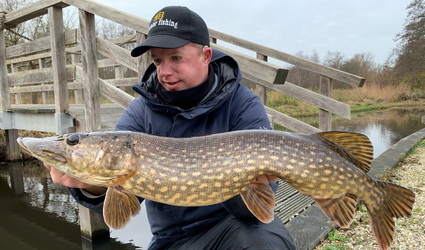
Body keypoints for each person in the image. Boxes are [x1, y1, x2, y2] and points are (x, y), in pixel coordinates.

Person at [45, 6, 296, 250]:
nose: (165, 72)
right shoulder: (140, 112)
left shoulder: (242, 103)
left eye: (176, 57)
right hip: (172, 239)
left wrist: (242, 181)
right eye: (157, 60)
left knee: (266, 242)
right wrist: (92, 185)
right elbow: (119, 193)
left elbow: (258, 205)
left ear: (205, 56)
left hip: (233, 227)